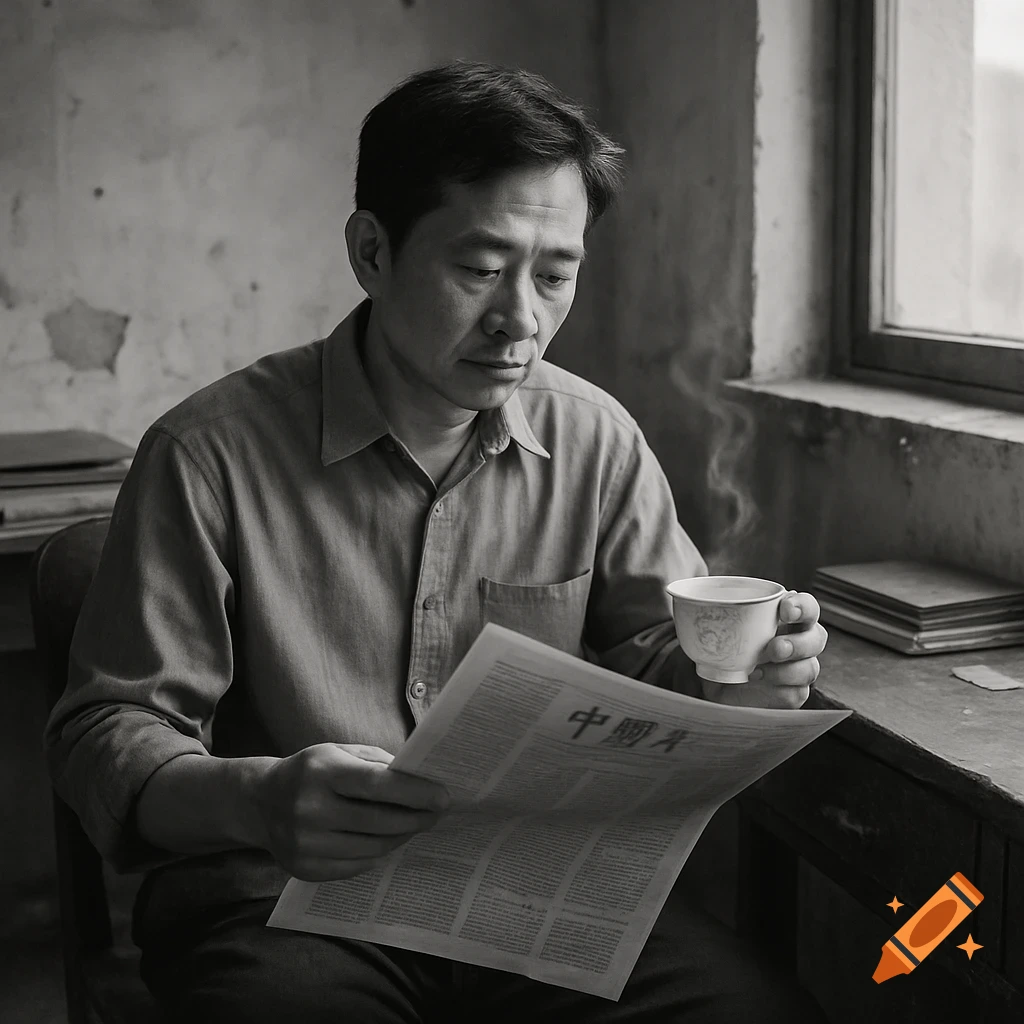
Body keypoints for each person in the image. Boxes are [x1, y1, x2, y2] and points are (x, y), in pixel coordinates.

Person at [45, 60, 828, 1022]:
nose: (521, 320)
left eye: (555, 275)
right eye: (481, 269)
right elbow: (104, 734)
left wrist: (731, 686)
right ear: (371, 252)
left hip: (536, 891)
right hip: (283, 902)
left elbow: (654, 664)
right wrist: (257, 801)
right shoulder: (208, 455)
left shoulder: (595, 440)